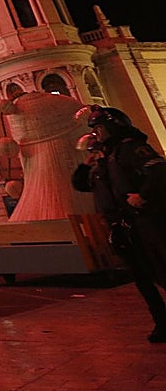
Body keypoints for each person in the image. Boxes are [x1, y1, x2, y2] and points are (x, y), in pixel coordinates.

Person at [72, 105, 166, 343]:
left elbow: (159, 171)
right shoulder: (104, 157)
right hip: (120, 223)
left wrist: (143, 196)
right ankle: (161, 321)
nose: (96, 133)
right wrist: (86, 163)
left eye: (99, 128)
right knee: (141, 274)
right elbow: (81, 184)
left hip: (144, 219)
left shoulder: (131, 148)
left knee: (162, 265)